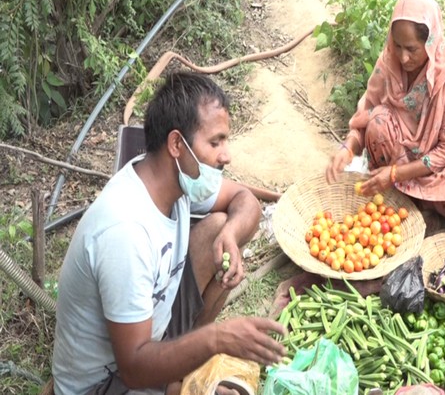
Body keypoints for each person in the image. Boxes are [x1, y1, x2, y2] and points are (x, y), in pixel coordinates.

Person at [52, 72, 286, 395]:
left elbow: (246, 201)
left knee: (218, 229)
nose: (226, 155)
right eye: (215, 142)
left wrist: (230, 234)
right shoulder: (125, 232)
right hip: (104, 382)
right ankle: (181, 379)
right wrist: (215, 339)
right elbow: (133, 369)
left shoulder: (174, 176)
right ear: (177, 144)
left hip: (152, 333)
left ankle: (182, 372)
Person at [326, 0, 445, 228]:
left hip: (440, 165)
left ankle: (422, 205)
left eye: (412, 49)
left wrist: (394, 175)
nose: (403, 57)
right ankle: (401, 198)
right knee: (377, 121)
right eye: (397, 46)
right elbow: (366, 112)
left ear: (429, 43)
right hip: (400, 156)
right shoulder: (390, 62)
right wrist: (347, 149)